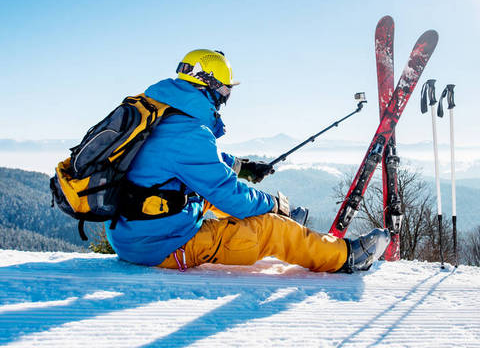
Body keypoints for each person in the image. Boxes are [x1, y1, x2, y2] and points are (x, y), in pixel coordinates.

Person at [106, 49, 389, 273]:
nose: (226, 98)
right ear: (210, 85)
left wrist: (244, 168)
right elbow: (228, 195)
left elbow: (197, 164)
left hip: (133, 228)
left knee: (204, 195)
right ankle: (347, 257)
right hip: (159, 245)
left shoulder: (162, 113)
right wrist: (273, 205)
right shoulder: (189, 131)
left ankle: (285, 220)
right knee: (273, 231)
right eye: (226, 90)